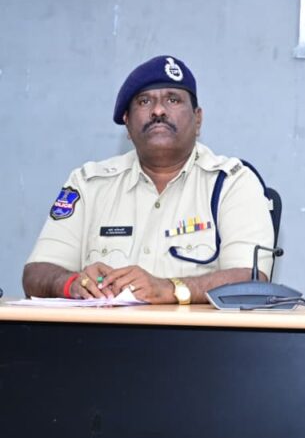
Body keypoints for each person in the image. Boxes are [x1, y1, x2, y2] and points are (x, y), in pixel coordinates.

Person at [23, 55, 275, 305]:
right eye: (144, 101)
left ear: (197, 119)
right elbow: (36, 273)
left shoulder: (233, 183)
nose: (158, 110)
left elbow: (252, 280)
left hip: (194, 332)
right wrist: (71, 283)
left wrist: (171, 288)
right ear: (127, 123)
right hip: (102, 331)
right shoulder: (89, 184)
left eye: (173, 100)